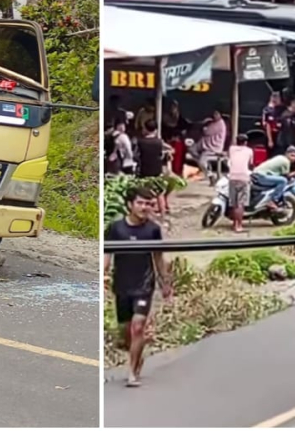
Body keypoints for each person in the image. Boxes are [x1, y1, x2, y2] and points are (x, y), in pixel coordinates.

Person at [104, 187, 172, 388]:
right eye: (140, 203)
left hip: (144, 286)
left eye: (148, 204)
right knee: (127, 331)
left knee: (138, 326)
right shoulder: (116, 228)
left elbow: (159, 258)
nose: (144, 207)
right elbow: (107, 255)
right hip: (122, 286)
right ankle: (136, 356)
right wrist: (103, 274)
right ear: (130, 205)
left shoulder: (152, 230)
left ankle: (133, 372)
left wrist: (165, 283)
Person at [136, 120, 172, 213]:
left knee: (144, 192)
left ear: (145, 129)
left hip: (144, 170)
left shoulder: (141, 142)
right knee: (159, 193)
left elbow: (135, 155)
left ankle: (146, 211)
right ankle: (162, 212)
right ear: (155, 130)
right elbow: (168, 149)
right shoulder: (159, 142)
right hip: (157, 170)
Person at [227, 134, 254, 233]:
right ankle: (239, 226)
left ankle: (234, 224)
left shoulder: (231, 149)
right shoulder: (249, 151)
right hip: (243, 178)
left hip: (232, 178)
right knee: (240, 204)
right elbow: (251, 164)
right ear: (246, 142)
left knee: (234, 203)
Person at [190, 109, 227, 179]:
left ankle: (209, 174)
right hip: (204, 143)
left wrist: (205, 125)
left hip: (213, 147)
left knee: (202, 162)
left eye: (217, 114)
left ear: (220, 115)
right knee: (191, 149)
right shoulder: (212, 122)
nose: (215, 115)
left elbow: (206, 132)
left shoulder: (220, 124)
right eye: (214, 113)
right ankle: (205, 164)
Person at [262, 92, 285, 156]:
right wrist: (270, 140)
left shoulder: (280, 109)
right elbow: (267, 125)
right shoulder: (268, 110)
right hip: (271, 135)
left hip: (279, 136)